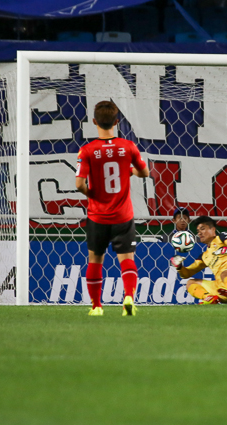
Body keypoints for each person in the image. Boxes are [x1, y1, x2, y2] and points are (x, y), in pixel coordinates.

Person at [75, 100, 150, 316]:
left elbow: (79, 184)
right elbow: (145, 173)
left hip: (97, 216)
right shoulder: (128, 146)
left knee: (95, 260)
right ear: (116, 122)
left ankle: (97, 307)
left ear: (94, 122)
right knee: (127, 259)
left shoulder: (87, 150)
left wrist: (91, 194)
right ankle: (129, 298)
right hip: (123, 216)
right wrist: (130, 171)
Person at [170, 215, 227, 305]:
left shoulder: (222, 238)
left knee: (225, 272)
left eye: (202, 229)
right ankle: (209, 298)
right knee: (190, 283)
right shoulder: (204, 256)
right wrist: (179, 267)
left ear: (213, 229)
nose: (199, 233)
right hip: (221, 289)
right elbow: (187, 274)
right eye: (198, 231)